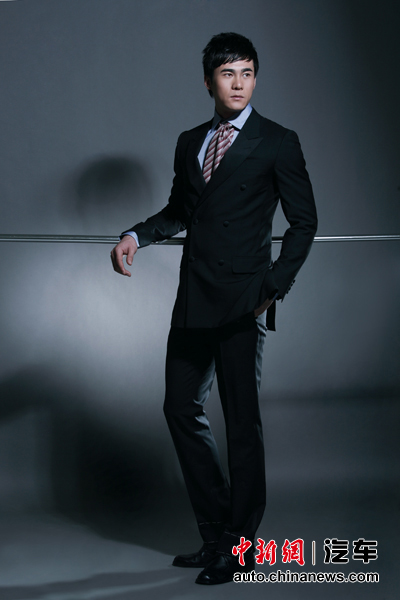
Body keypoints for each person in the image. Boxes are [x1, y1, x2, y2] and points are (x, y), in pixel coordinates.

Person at [111, 32, 317, 585]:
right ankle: (217, 532)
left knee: (242, 424)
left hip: (243, 300)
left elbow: (305, 222)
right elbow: (180, 210)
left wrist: (272, 286)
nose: (239, 83)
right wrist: (136, 234)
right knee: (180, 407)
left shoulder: (278, 141)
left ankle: (242, 546)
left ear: (255, 79)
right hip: (195, 296)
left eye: (247, 73)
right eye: (228, 74)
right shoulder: (190, 141)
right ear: (209, 82)